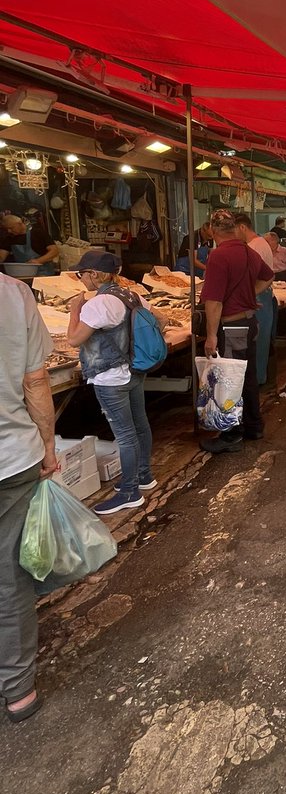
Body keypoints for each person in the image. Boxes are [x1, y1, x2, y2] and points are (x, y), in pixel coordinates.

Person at [0, 273, 57, 723]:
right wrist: (48, 445)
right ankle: (18, 689)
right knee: (10, 581)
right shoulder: (14, 294)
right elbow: (36, 381)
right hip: (12, 455)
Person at [66, 250, 157, 514]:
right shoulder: (133, 296)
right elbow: (155, 321)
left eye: (81, 273)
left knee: (125, 436)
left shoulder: (98, 304)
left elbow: (74, 339)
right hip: (134, 371)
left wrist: (75, 310)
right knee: (140, 426)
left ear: (94, 274)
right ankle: (144, 476)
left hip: (110, 378)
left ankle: (129, 491)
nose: (80, 278)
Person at [198, 209, 273, 454]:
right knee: (247, 376)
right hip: (249, 323)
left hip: (231, 326)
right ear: (233, 227)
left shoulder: (218, 256)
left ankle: (231, 434)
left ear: (213, 229)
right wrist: (250, 294)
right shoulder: (248, 251)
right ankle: (254, 426)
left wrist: (211, 335)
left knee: (229, 380)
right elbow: (268, 276)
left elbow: (214, 301)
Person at [233, 213, 277, 386]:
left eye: (234, 229)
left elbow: (260, 276)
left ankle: (256, 381)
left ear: (242, 227)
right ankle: (258, 379)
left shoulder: (254, 246)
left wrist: (250, 294)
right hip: (262, 296)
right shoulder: (258, 243)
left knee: (257, 342)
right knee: (261, 341)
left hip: (260, 298)